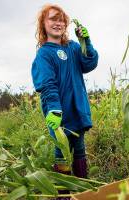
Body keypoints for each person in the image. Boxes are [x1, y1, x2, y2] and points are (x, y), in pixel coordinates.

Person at [31, 3, 98, 181]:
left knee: (80, 149)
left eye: (62, 20)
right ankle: (64, 192)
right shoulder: (44, 54)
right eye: (53, 19)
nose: (58, 23)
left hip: (77, 109)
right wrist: (54, 108)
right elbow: (47, 83)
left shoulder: (74, 47)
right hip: (59, 113)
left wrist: (86, 42)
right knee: (61, 150)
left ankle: (83, 187)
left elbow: (89, 63)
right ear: (43, 24)